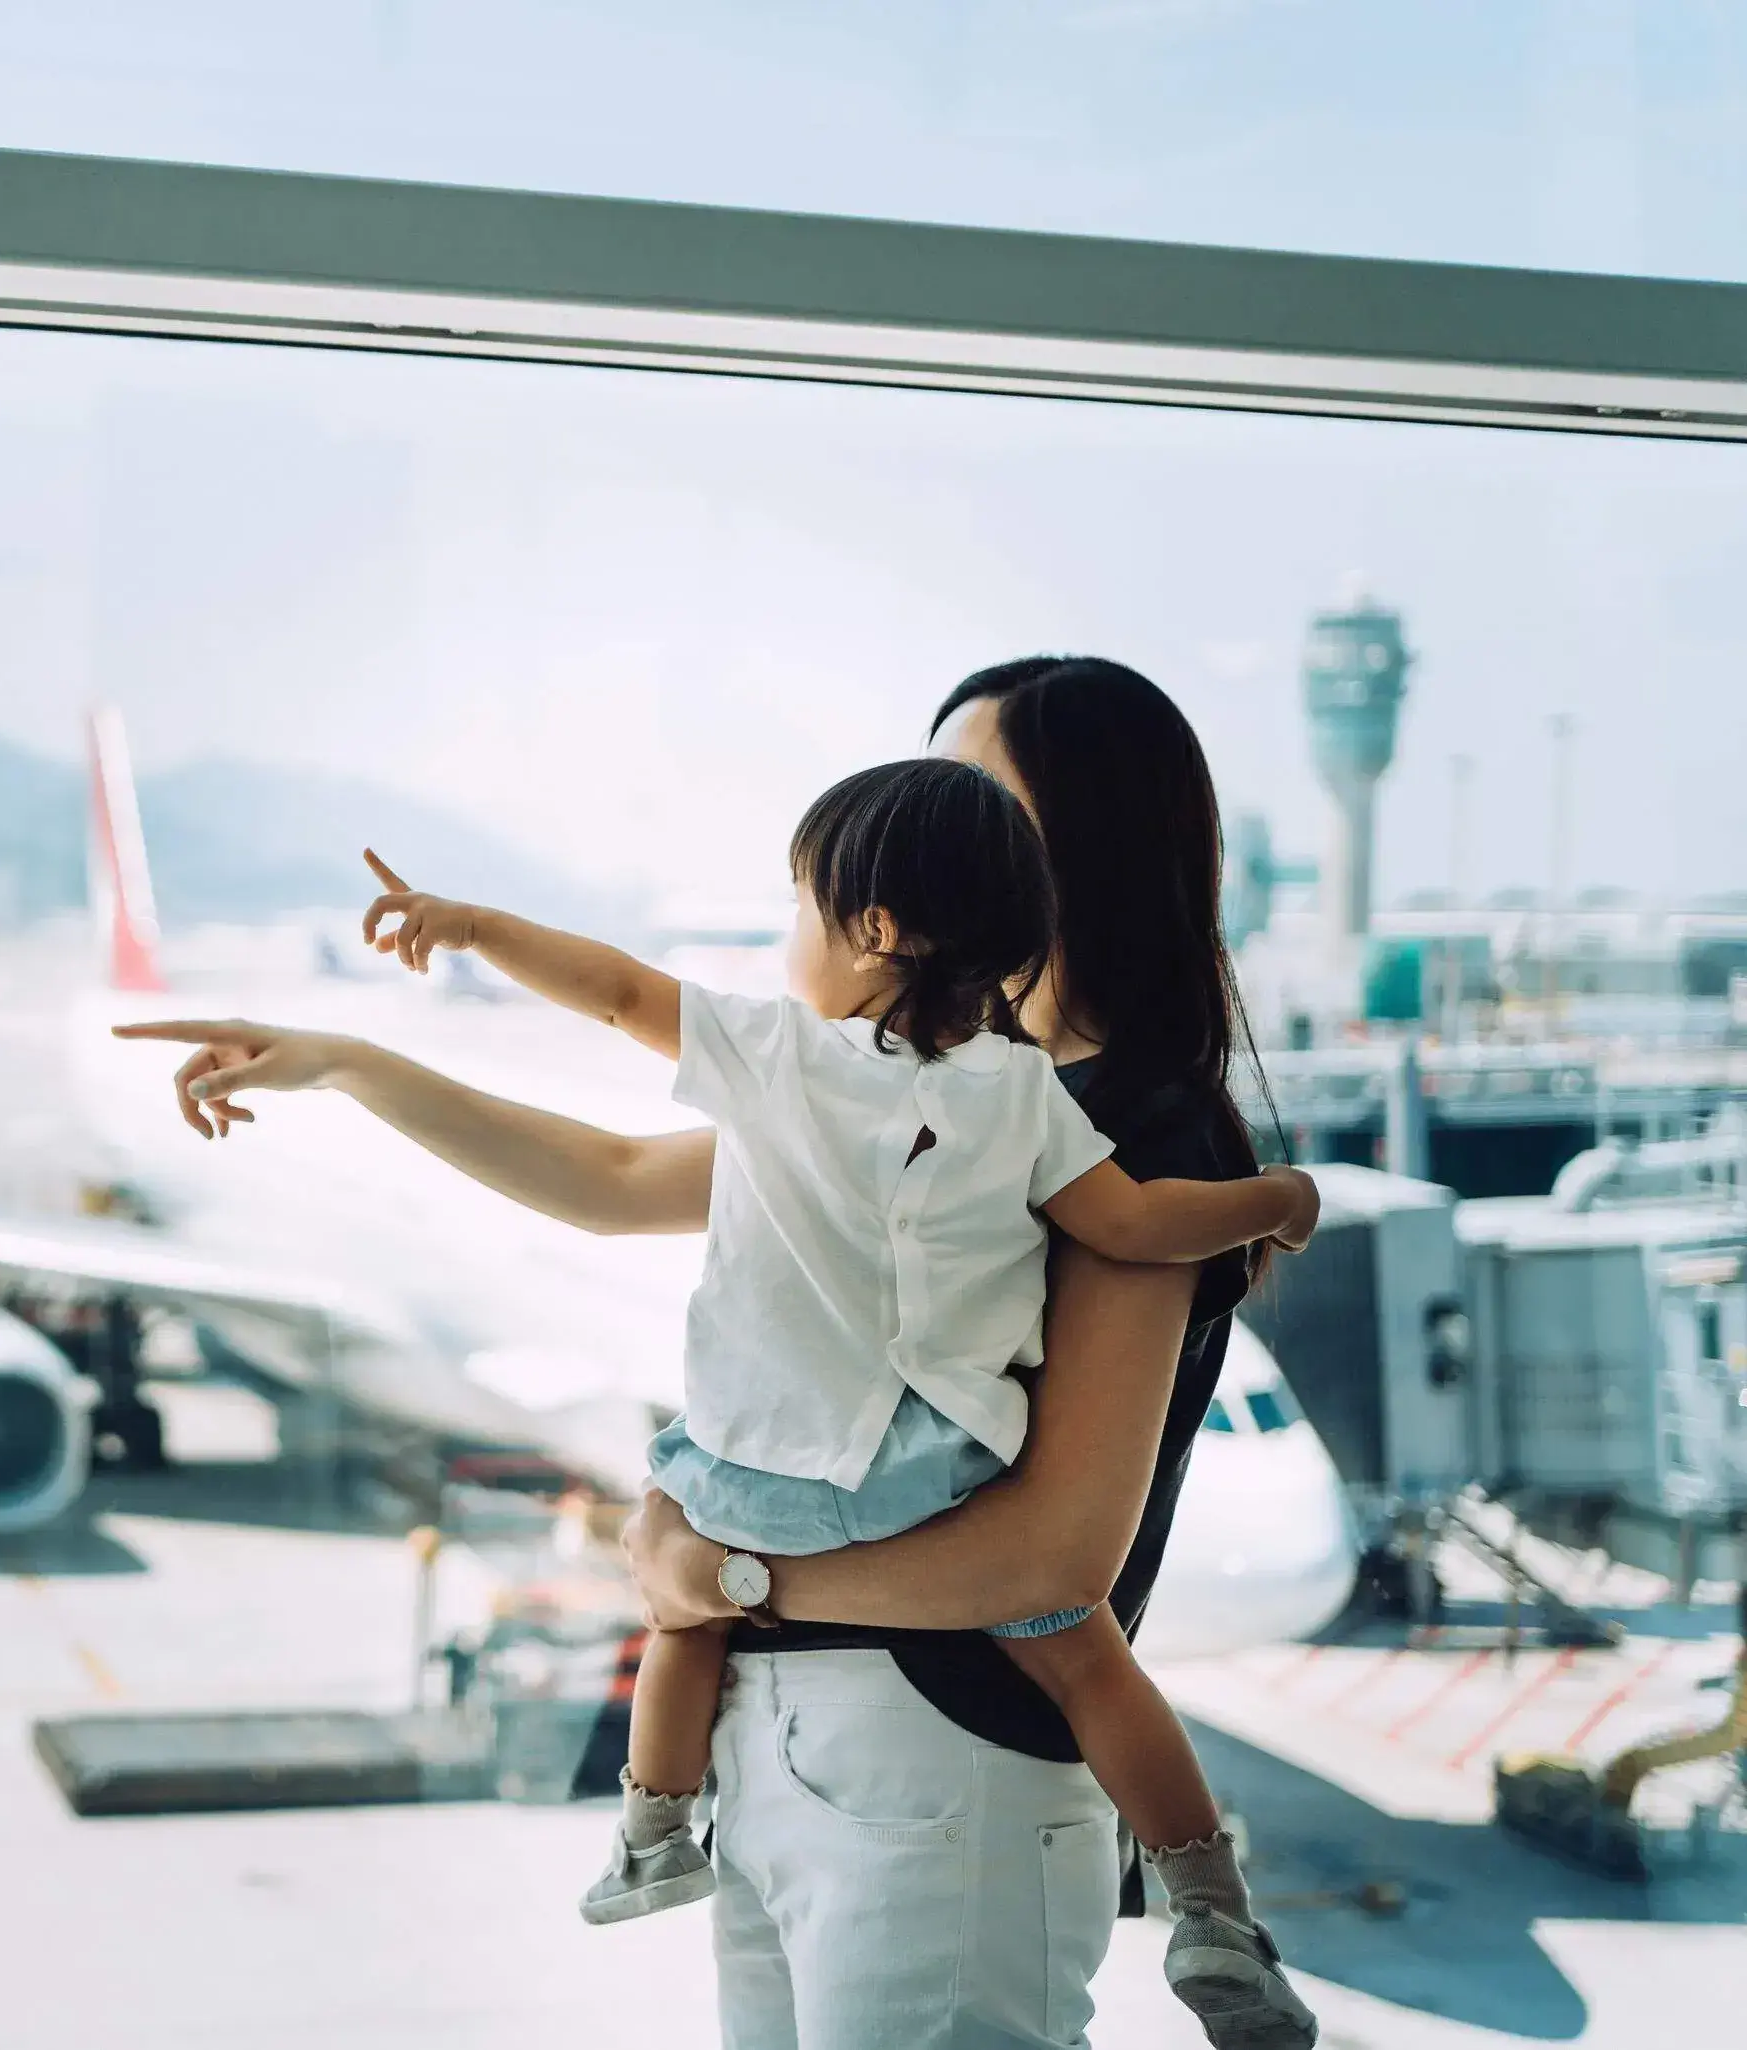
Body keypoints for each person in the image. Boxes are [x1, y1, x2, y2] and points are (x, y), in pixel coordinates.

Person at [117, 657, 1304, 2050]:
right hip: (781, 1730)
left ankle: (1212, 1914)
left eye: (969, 790)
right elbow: (618, 1174)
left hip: (948, 1743)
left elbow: (1052, 1563)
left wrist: (728, 1570)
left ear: (1072, 845)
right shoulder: (908, 1091)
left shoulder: (1121, 1132)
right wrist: (352, 1065)